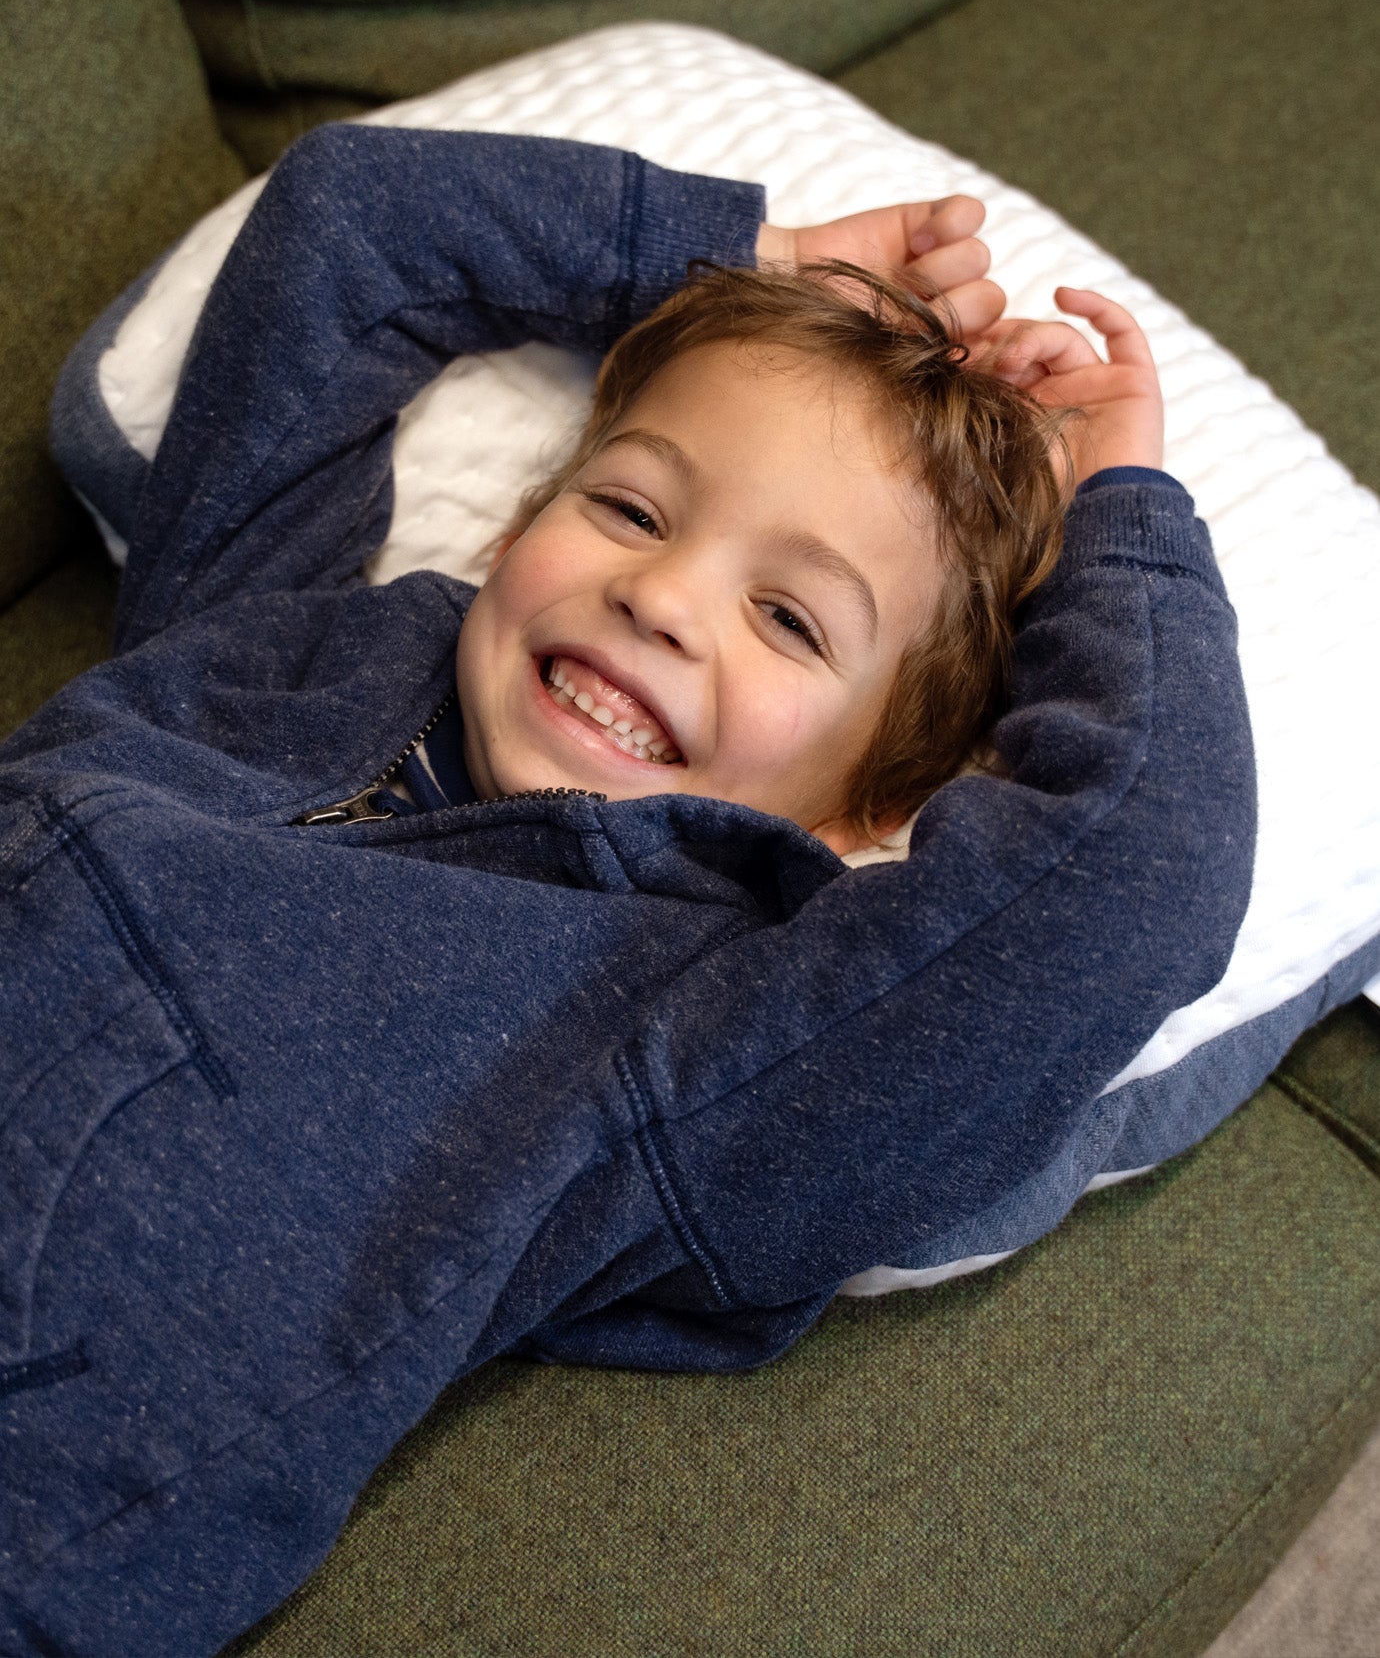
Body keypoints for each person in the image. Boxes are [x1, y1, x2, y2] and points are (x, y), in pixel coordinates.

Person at [0, 124, 1254, 1657]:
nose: (660, 597)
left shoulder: (708, 1038)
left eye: (789, 621)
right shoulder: (267, 630)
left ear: (877, 797)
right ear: (528, 518)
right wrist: (755, 262)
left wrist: (1119, 518)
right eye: (633, 509)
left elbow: (1137, 875)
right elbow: (358, 229)